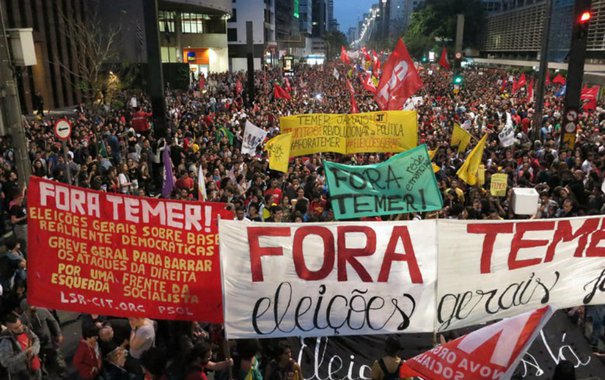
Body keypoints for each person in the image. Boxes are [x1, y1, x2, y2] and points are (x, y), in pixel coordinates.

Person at [19, 299, 66, 377]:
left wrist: (58, 334)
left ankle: (64, 375)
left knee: (58, 361)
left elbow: (53, 322)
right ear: (25, 310)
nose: (33, 307)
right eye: (30, 307)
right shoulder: (22, 320)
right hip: (35, 346)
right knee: (40, 367)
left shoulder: (42, 311)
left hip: (49, 342)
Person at [0, 312, 42, 379]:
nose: (20, 328)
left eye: (20, 325)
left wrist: (34, 351)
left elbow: (36, 340)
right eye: (16, 328)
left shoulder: (25, 329)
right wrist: (24, 354)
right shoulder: (6, 342)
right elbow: (5, 362)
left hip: (36, 367)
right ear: (9, 329)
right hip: (23, 374)